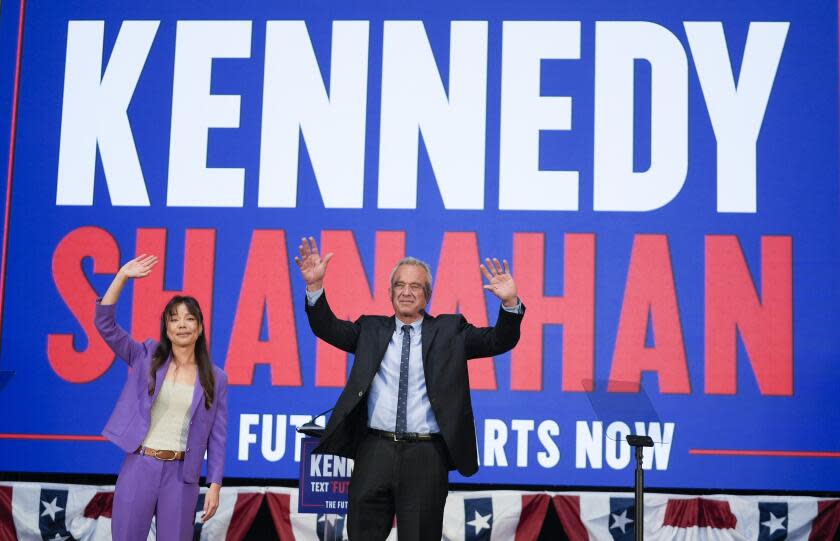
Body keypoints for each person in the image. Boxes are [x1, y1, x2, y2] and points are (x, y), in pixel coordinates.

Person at [295, 237, 525, 541]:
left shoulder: (450, 331)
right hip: (374, 450)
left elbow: (499, 340)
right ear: (390, 292)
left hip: (426, 454)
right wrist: (315, 287)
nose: (406, 292)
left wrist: (510, 304)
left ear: (427, 294)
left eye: (415, 286)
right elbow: (327, 327)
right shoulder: (370, 329)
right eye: (399, 285)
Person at [94, 254, 228, 541]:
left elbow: (218, 437)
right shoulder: (145, 356)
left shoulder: (216, 378)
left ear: (200, 328)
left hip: (182, 477)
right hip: (140, 466)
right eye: (174, 319)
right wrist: (122, 276)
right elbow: (105, 325)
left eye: (190, 319)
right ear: (166, 328)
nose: (182, 324)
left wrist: (214, 483)